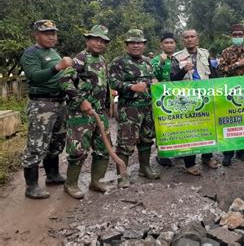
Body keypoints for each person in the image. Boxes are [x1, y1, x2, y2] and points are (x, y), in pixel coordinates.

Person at [20, 20, 72, 199]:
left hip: (60, 102)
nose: (51, 37)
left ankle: (53, 175)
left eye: (54, 33)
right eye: (46, 33)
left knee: (56, 142)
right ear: (36, 35)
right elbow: (35, 76)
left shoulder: (53, 52)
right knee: (36, 145)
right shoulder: (31, 53)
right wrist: (58, 67)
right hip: (42, 104)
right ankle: (31, 186)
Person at [60, 25, 111, 199]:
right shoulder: (81, 58)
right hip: (81, 114)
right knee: (78, 150)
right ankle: (71, 184)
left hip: (99, 111)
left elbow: (104, 85)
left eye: (102, 41)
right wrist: (80, 100)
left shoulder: (102, 60)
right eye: (95, 39)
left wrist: (108, 105)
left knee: (103, 148)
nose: (99, 43)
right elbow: (65, 81)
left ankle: (96, 181)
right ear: (87, 41)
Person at [109, 29, 160, 188]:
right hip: (130, 109)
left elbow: (150, 79)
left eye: (139, 43)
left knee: (146, 139)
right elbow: (112, 83)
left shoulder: (147, 61)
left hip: (147, 108)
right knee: (126, 143)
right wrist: (131, 87)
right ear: (127, 45)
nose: (136, 46)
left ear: (144, 45)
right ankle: (122, 175)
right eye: (132, 43)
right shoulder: (119, 62)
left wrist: (154, 82)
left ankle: (144, 168)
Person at [171, 29, 219, 175]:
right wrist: (183, 70)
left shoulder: (205, 53)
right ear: (183, 40)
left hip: (206, 97)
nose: (190, 39)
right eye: (186, 37)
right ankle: (189, 163)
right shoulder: (177, 57)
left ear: (197, 38)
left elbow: (214, 74)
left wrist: (218, 91)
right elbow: (172, 80)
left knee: (208, 128)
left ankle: (207, 157)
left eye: (192, 36)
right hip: (187, 100)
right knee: (190, 131)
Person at [218, 23, 244, 166]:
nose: (237, 37)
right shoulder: (225, 52)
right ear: (231, 36)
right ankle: (228, 153)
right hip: (230, 92)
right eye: (235, 35)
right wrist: (237, 64)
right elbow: (221, 70)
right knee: (230, 122)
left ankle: (242, 151)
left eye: (240, 35)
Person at [151, 32, 176, 167]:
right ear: (161, 45)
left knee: (177, 125)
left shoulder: (178, 58)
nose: (169, 45)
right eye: (166, 42)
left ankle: (178, 150)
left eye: (171, 42)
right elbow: (151, 74)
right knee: (162, 127)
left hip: (177, 98)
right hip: (162, 99)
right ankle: (162, 154)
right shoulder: (156, 59)